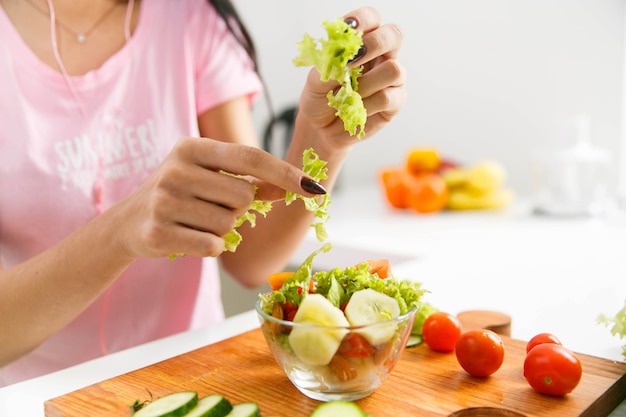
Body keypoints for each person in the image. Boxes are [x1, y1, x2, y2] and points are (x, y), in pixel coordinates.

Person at [0, 0, 406, 386]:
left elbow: (249, 258)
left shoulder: (192, 17)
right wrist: (121, 232)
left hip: (193, 380)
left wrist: (321, 139)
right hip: (32, 397)